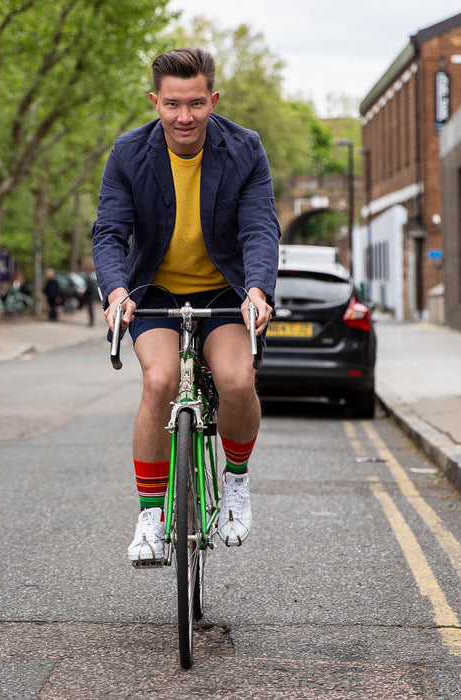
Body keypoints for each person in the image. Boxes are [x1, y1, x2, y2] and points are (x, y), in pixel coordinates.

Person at [92, 48, 281, 564]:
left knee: (238, 381)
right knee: (159, 382)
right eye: (172, 104)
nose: (184, 117)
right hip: (152, 291)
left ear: (213, 99)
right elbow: (110, 232)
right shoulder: (129, 152)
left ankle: (236, 483)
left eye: (196, 104)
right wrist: (115, 293)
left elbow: (260, 227)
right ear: (155, 101)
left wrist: (259, 289)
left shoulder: (244, 148)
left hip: (224, 290)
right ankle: (150, 518)